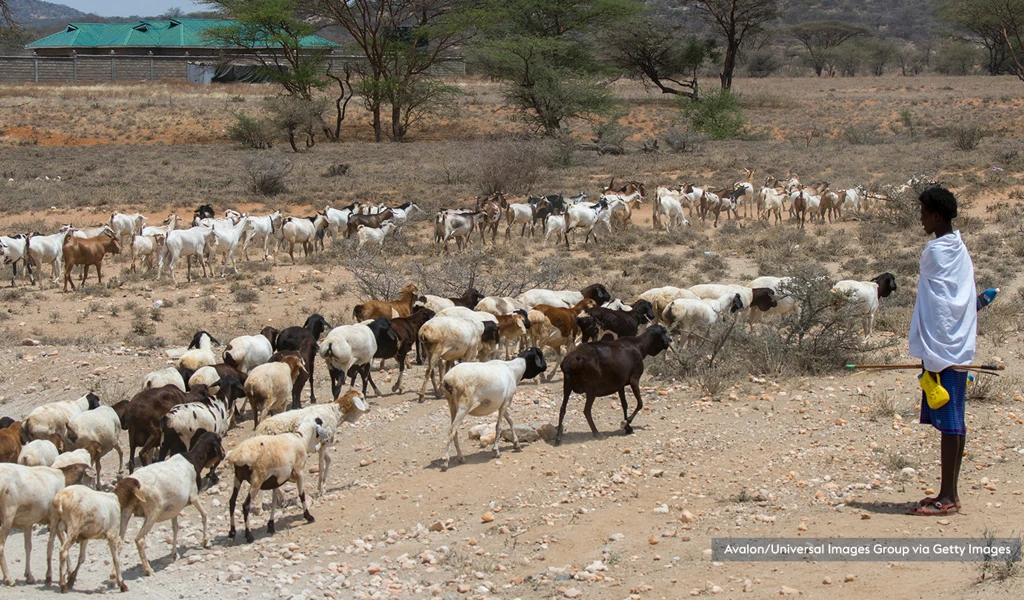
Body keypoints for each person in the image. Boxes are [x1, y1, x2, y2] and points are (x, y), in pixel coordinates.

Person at [907, 186, 976, 516]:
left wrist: (931, 350)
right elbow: (956, 298)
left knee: (951, 422)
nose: (920, 217)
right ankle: (949, 492)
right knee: (955, 420)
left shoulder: (935, 252)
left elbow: (938, 305)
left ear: (936, 215)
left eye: (923, 211)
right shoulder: (958, 246)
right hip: (957, 345)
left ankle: (948, 497)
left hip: (944, 348)